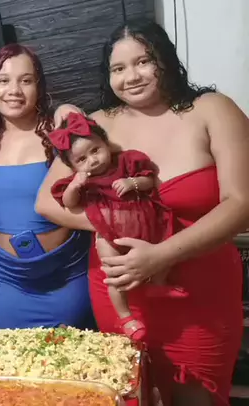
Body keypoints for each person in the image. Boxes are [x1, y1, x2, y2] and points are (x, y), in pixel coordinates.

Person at [36, 19, 248, 406]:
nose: (131, 76)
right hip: (121, 294)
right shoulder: (99, 124)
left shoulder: (213, 110)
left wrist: (161, 253)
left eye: (143, 61)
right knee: (132, 394)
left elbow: (241, 203)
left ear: (165, 59)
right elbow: (47, 203)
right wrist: (114, 224)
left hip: (199, 295)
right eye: (118, 68)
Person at [0, 44, 94, 329]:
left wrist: (66, 110)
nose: (14, 90)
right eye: (4, 80)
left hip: (64, 275)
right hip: (8, 280)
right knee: (13, 356)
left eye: (25, 80)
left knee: (74, 354)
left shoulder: (60, 133)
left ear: (39, 87)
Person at [48, 112, 188, 341]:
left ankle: (159, 284)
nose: (92, 160)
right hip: (108, 234)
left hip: (146, 227)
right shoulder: (84, 181)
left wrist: (132, 182)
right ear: (72, 166)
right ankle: (126, 317)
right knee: (114, 273)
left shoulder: (126, 162)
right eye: (81, 159)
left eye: (95, 150)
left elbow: (149, 181)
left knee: (165, 246)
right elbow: (68, 203)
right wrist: (74, 186)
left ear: (106, 143)